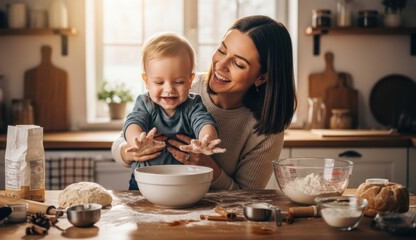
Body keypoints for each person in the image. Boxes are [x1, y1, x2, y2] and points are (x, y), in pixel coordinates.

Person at [112, 15, 296, 190]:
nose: (220, 66)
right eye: (222, 50)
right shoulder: (183, 84)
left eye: (238, 64)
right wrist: (130, 152)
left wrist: (211, 169)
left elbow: (247, 195)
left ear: (262, 77)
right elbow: (123, 139)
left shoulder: (267, 128)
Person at [122, 33, 225, 190]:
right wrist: (138, 140)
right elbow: (133, 123)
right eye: (159, 82)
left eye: (179, 82)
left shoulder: (193, 105)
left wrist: (206, 140)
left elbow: (204, 123)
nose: (169, 89)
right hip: (144, 182)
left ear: (190, 80)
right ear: (146, 82)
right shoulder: (145, 103)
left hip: (185, 183)